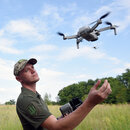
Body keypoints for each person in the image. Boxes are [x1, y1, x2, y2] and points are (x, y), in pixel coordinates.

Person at [14, 58, 112, 130]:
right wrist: (90, 103)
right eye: (27, 70)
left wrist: (61, 119)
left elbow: (47, 125)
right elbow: (57, 128)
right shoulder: (26, 99)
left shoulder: (35, 95)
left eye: (32, 67)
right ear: (19, 79)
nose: (33, 70)